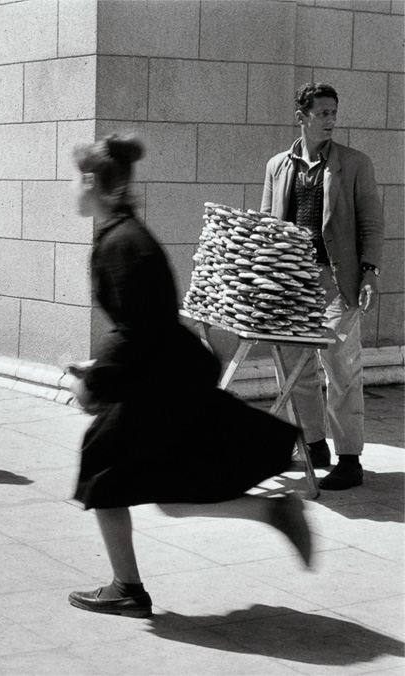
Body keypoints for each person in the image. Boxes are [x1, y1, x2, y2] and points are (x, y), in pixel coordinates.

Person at [66, 133, 312, 619]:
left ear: (92, 181)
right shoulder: (124, 234)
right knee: (168, 493)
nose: (72, 188)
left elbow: (138, 328)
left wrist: (94, 383)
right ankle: (272, 510)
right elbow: (145, 326)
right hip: (166, 376)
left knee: (103, 472)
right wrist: (102, 368)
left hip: (159, 383)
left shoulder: (121, 241)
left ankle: (127, 589)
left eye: (76, 179)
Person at [261, 82, 385, 491]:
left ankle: (349, 459)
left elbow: (371, 223)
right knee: (296, 370)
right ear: (302, 117)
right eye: (322, 113)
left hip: (337, 282)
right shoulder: (277, 165)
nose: (331, 120)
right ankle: (314, 445)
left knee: (342, 369)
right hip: (291, 283)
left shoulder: (355, 163)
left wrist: (369, 272)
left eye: (334, 112)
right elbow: (267, 226)